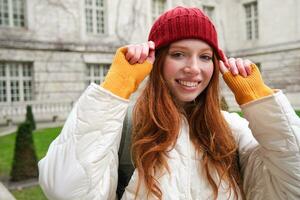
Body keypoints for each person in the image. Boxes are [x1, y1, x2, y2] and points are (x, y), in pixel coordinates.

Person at [38, 6, 300, 200]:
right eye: (178, 54)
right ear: (157, 61)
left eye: (206, 57)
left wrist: (259, 99)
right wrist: (116, 87)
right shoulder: (125, 128)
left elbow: (293, 183)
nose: (194, 69)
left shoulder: (232, 129)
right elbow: (65, 190)